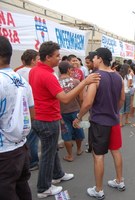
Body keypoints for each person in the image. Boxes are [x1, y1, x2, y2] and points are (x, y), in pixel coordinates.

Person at [29, 41, 100, 198]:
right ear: (48, 57)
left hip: (42, 117)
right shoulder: (47, 75)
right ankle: (43, 188)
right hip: (47, 119)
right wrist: (84, 82)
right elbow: (65, 98)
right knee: (48, 154)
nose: (59, 58)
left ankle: (58, 174)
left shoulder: (35, 70)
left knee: (52, 149)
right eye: (57, 55)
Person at [73, 47, 125, 200]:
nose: (93, 60)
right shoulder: (118, 76)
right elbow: (121, 99)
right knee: (115, 151)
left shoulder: (95, 77)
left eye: (94, 58)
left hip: (100, 122)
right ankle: (119, 181)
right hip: (114, 120)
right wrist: (114, 111)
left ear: (100, 59)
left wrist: (79, 117)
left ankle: (99, 189)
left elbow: (88, 102)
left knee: (98, 156)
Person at [0, 36, 35, 200]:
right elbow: (31, 114)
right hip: (20, 147)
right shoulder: (21, 80)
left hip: (4, 153)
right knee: (22, 189)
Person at [16, 49, 40, 171]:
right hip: (33, 108)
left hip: (20, 109)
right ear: (32, 60)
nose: (39, 61)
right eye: (37, 59)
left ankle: (25, 160)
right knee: (33, 137)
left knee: (25, 137)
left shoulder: (17, 72)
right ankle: (33, 162)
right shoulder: (35, 72)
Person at [58, 61, 85, 162]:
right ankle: (78, 150)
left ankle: (70, 155)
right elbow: (81, 98)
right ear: (68, 69)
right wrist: (82, 110)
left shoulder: (56, 81)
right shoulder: (76, 82)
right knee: (78, 130)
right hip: (75, 110)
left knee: (66, 133)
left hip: (62, 112)